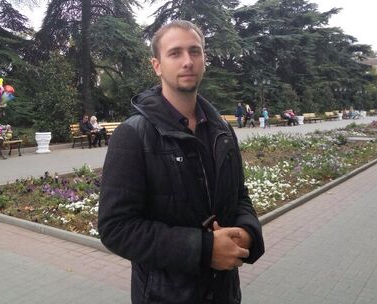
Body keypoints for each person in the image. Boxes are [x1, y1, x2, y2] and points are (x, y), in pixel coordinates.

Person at [98, 20, 264, 304]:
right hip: (165, 296)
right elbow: (116, 228)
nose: (188, 61)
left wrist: (248, 233)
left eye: (195, 51)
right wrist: (204, 250)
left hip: (224, 294)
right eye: (175, 53)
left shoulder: (222, 131)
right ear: (157, 66)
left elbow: (240, 197)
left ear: (204, 59)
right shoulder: (134, 135)